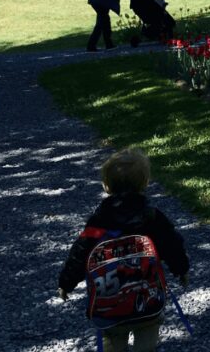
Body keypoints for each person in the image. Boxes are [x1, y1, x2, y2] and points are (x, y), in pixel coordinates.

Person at [58, 148, 190, 352]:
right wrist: (181, 270)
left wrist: (66, 283)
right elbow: (172, 245)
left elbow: (80, 253)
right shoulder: (152, 217)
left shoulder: (98, 221)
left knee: (113, 340)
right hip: (148, 299)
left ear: (107, 186)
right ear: (145, 183)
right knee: (147, 335)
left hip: (109, 303)